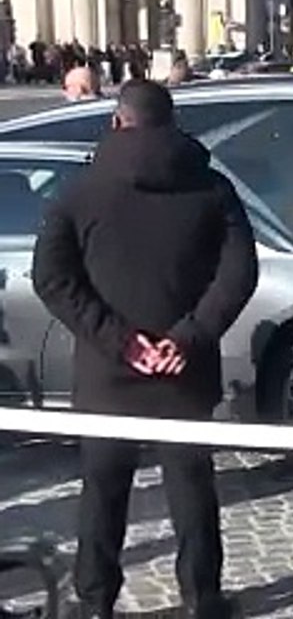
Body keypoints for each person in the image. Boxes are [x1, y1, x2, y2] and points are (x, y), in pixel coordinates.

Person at [31, 79, 259, 619]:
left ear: (117, 121)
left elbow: (52, 278)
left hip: (108, 370)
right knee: (193, 494)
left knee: (103, 496)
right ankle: (202, 599)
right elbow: (239, 273)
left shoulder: (80, 191)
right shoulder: (211, 188)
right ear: (172, 122)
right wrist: (189, 335)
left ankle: (95, 602)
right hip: (185, 368)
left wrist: (119, 340)